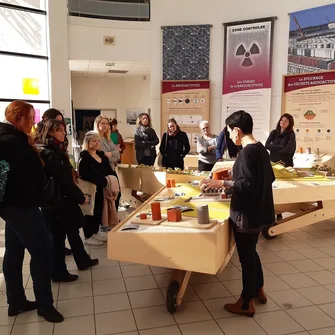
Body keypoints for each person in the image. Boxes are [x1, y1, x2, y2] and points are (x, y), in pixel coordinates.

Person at [200, 110, 275, 317]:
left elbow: (248, 186)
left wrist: (222, 182)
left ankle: (246, 302)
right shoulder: (261, 149)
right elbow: (270, 178)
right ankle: (258, 288)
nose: (230, 136)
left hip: (247, 216)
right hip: (261, 212)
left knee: (246, 258)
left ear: (237, 131)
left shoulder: (245, 153)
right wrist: (237, 177)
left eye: (229, 131)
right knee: (252, 253)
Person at [0, 101, 63, 323]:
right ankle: (45, 306)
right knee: (43, 251)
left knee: (14, 252)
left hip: (16, 206)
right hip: (21, 206)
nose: (34, 122)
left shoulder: (13, 138)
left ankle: (16, 301)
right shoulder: (9, 141)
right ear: (18, 118)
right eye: (30, 117)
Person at [39, 120, 99, 278]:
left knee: (69, 232)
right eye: (59, 130)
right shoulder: (51, 154)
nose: (63, 133)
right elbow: (64, 181)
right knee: (57, 238)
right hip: (57, 202)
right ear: (50, 132)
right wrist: (81, 198)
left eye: (63, 130)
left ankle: (81, 260)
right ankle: (58, 272)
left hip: (57, 201)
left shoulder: (54, 151)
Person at [34, 108, 74, 256]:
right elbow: (57, 174)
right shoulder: (47, 149)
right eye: (58, 125)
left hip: (57, 193)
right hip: (51, 194)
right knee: (54, 231)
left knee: (58, 231)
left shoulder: (58, 146)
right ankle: (57, 266)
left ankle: (59, 256)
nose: (63, 132)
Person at [78, 131, 115, 246]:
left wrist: (109, 181)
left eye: (98, 140)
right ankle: (88, 235)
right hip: (90, 189)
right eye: (94, 141)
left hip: (101, 189)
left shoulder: (101, 156)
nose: (97, 143)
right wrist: (102, 180)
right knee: (90, 211)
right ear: (88, 143)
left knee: (99, 210)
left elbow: (109, 170)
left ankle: (96, 231)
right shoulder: (84, 157)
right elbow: (85, 174)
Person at [94, 115, 121, 211]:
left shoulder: (107, 138)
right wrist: (112, 155)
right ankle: (107, 220)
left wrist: (112, 154)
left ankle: (113, 217)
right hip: (103, 170)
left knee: (116, 193)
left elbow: (118, 155)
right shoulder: (95, 138)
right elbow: (104, 156)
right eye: (102, 123)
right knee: (107, 194)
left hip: (111, 168)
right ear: (97, 124)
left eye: (106, 123)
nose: (105, 125)